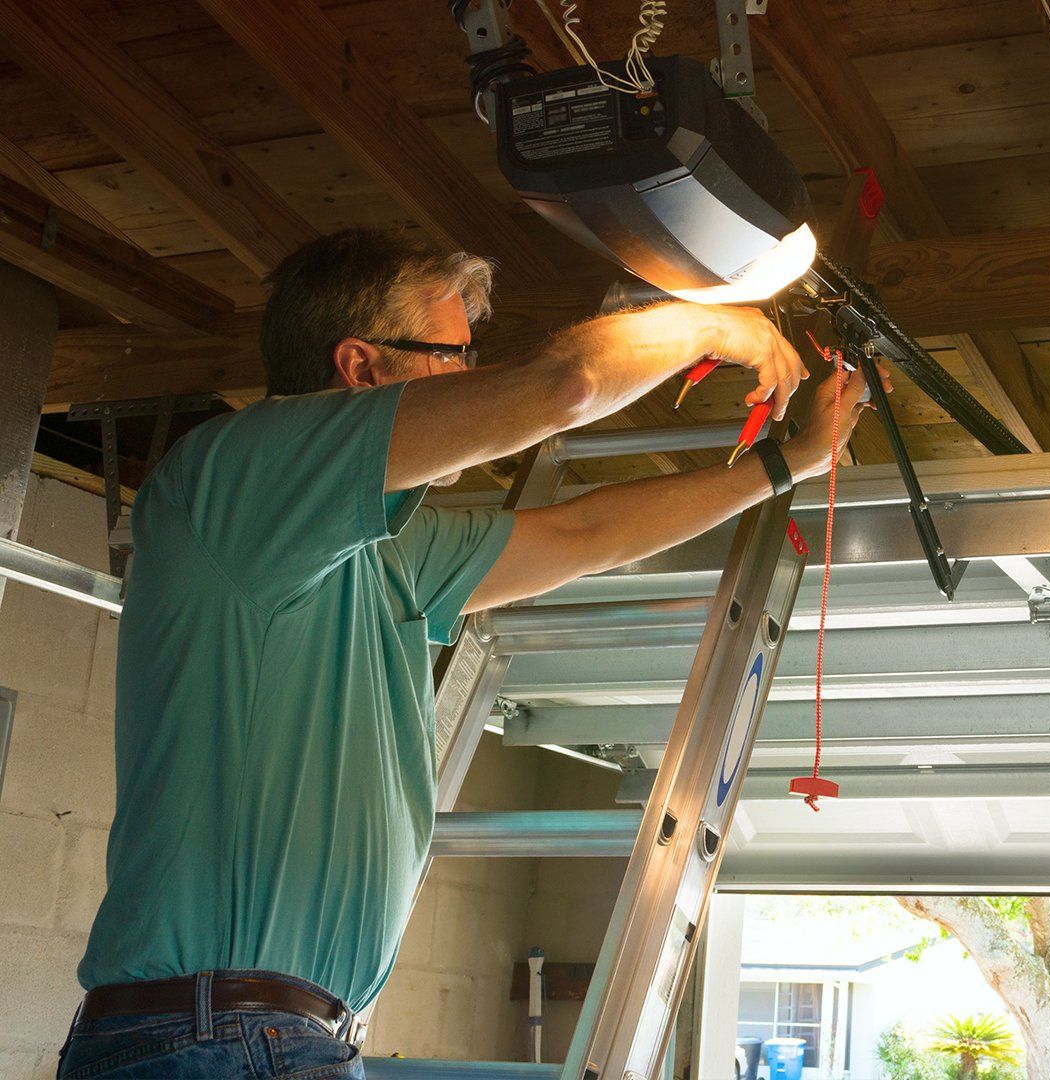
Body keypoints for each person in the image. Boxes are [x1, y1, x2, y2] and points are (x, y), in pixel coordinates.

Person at [57, 228, 879, 1078]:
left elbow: (583, 533)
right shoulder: (236, 479)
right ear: (361, 366)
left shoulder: (387, 550)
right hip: (220, 1034)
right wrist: (716, 324)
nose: (469, 377)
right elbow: (564, 385)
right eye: (452, 355)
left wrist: (784, 464)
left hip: (264, 1035)